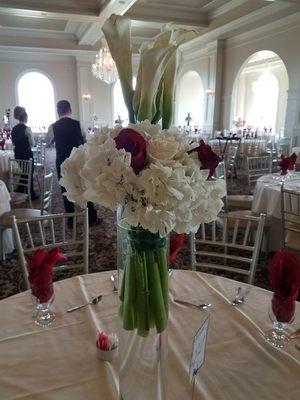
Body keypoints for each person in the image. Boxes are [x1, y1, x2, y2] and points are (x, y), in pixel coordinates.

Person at [46, 100, 99, 225]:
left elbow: (47, 141)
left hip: (62, 161)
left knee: (65, 188)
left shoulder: (53, 126)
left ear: (58, 112)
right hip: (78, 160)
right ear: (70, 110)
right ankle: (91, 217)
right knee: (85, 185)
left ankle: (71, 220)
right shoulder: (78, 124)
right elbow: (85, 140)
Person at [11, 106, 37, 200]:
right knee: (29, 172)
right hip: (27, 153)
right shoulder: (27, 129)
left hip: (17, 153)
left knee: (25, 172)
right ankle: (31, 193)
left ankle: (20, 190)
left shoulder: (13, 129)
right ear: (25, 117)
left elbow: (13, 142)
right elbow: (32, 143)